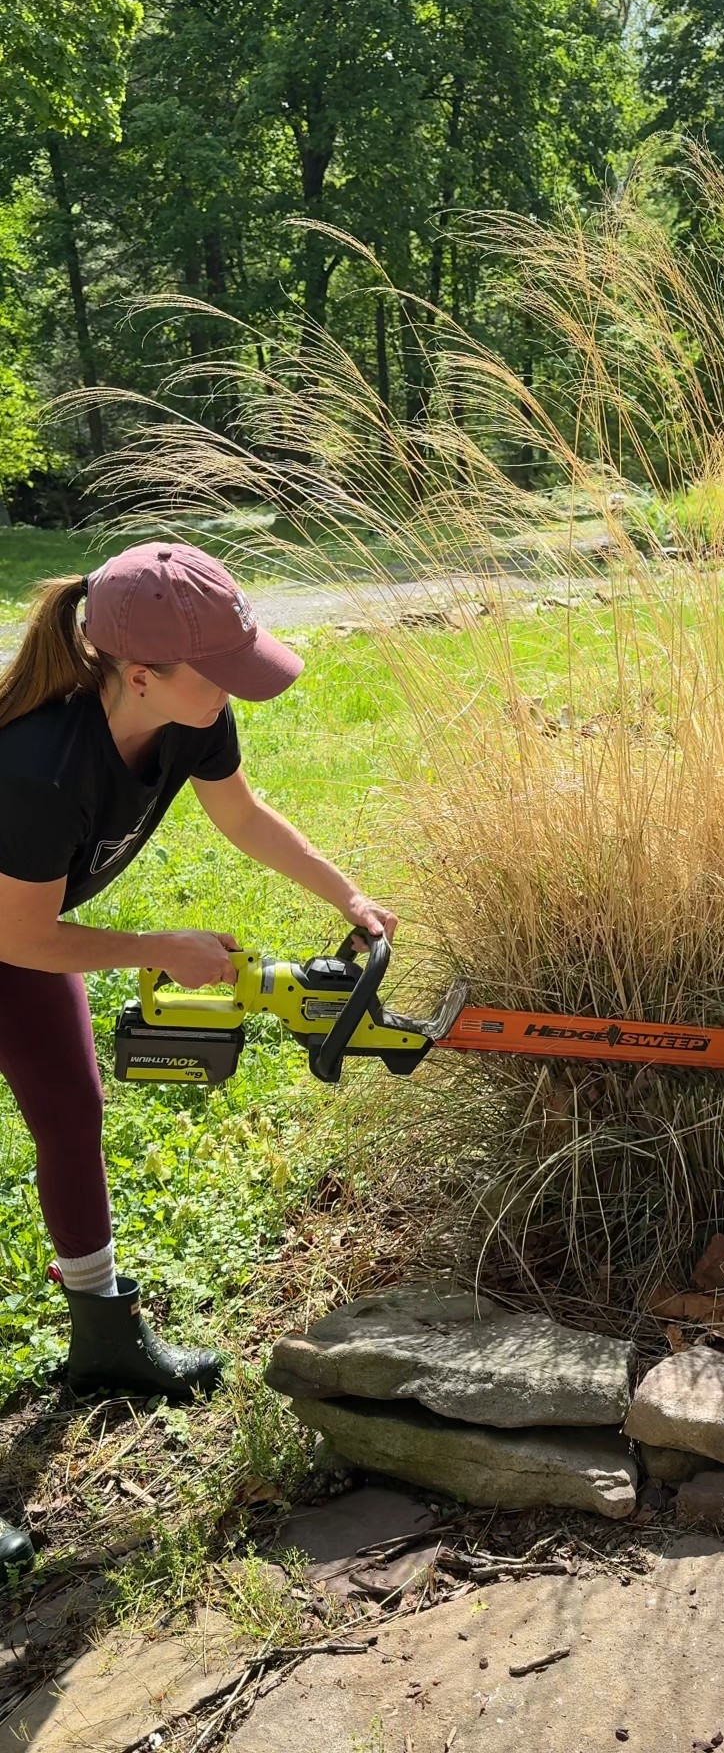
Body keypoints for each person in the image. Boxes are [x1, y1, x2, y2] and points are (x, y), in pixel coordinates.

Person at [0, 542, 397, 1575]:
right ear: (138, 674)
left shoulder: (191, 715)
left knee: (71, 1114)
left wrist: (346, 893)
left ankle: (104, 1340)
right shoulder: (39, 767)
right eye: (216, 670)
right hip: (13, 932)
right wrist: (157, 948)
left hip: (14, 936)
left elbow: (242, 814)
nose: (234, 689)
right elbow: (23, 935)